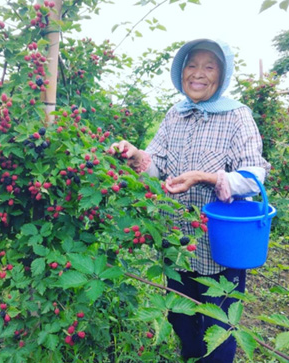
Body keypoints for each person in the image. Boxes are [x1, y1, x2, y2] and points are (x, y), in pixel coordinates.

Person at [109, 38, 271, 362]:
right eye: (191, 66)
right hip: (177, 247)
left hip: (220, 250)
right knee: (181, 320)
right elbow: (157, 164)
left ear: (222, 75)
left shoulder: (237, 117)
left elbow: (255, 175)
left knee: (219, 331)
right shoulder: (175, 114)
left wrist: (207, 177)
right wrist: (135, 155)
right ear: (181, 72)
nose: (198, 74)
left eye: (209, 66)